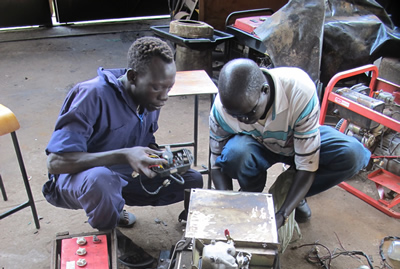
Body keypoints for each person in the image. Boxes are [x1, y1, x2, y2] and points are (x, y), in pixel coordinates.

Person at [43, 36, 203, 230]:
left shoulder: (149, 99)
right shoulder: (91, 95)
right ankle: (110, 236)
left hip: (120, 175)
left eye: (169, 87)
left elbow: (145, 137)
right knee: (102, 181)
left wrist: (155, 155)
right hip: (81, 179)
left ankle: (115, 206)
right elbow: (55, 163)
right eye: (157, 87)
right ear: (133, 77)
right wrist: (124, 155)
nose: (164, 96)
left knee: (192, 180)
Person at [209, 58, 371, 228]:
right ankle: (252, 196)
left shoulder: (299, 91)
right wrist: (226, 201)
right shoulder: (223, 108)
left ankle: (293, 195)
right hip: (258, 144)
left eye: (249, 113)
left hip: (297, 141)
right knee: (235, 154)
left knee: (352, 154)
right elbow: (216, 163)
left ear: (264, 90)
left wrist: (283, 215)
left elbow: (308, 166)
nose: (243, 120)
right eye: (236, 116)